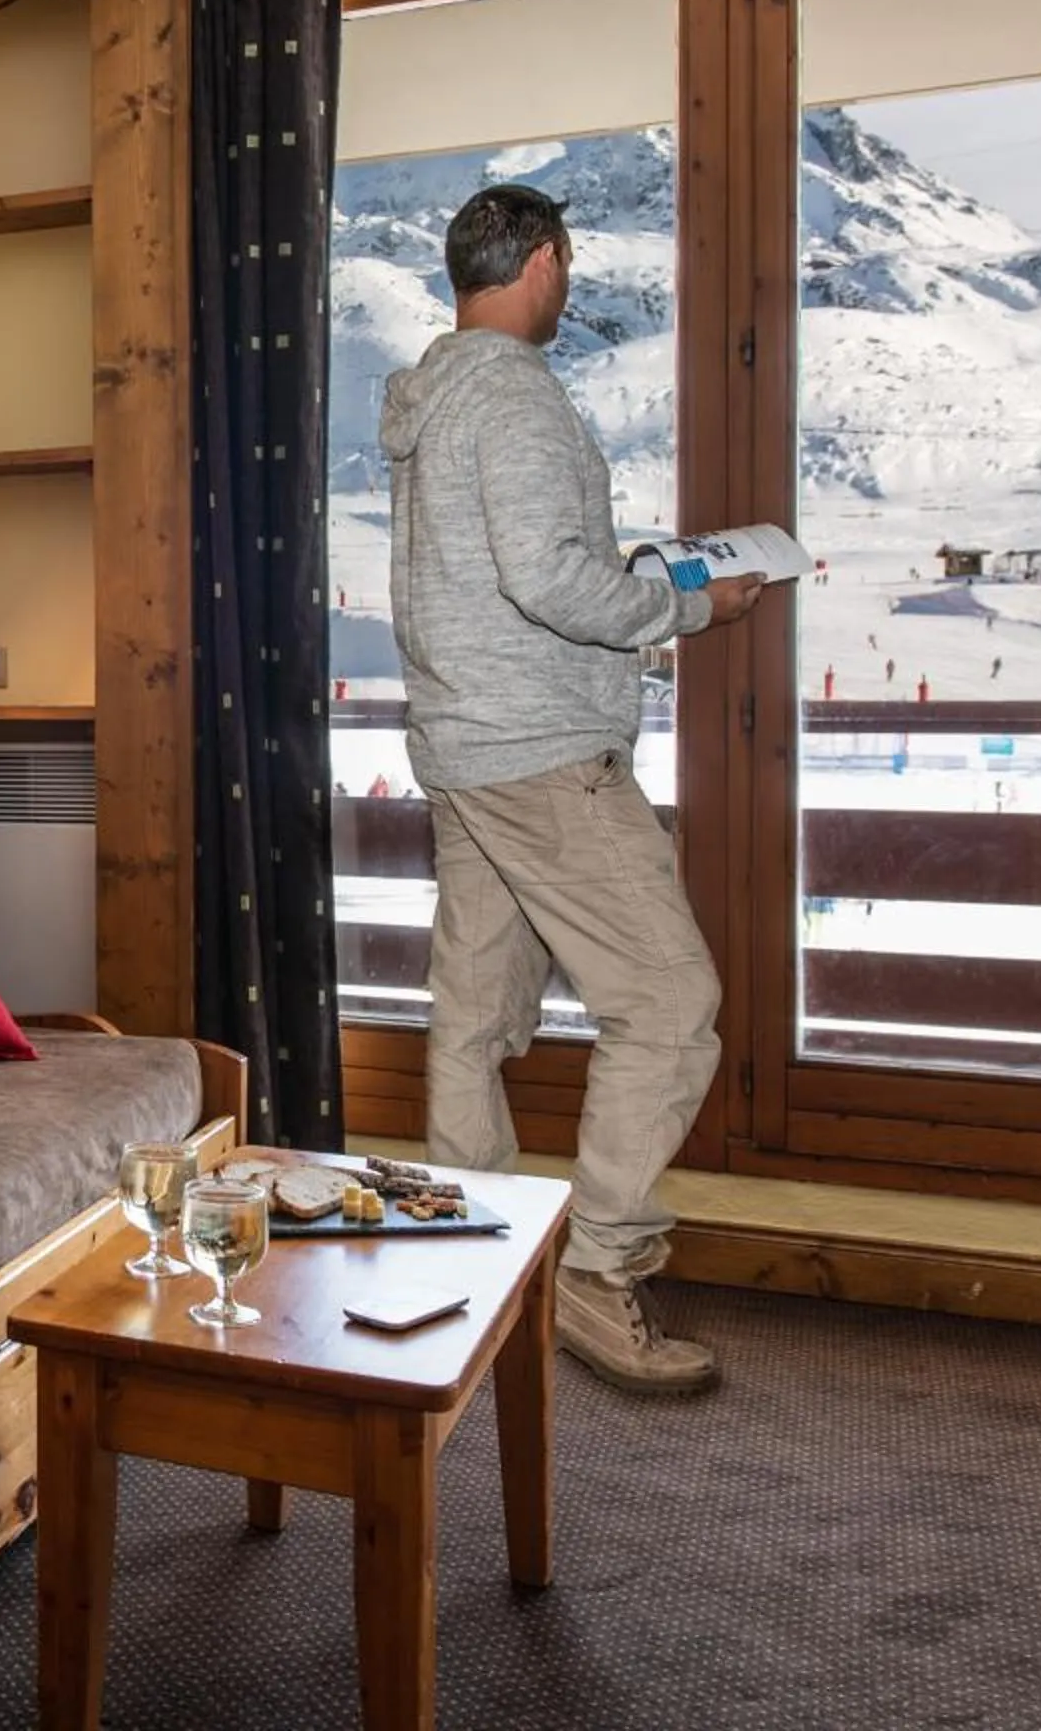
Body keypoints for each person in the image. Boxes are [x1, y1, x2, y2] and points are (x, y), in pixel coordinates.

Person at [381, 184, 763, 1395]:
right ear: (542, 262)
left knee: (475, 1015)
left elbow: (512, 571)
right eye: (570, 262)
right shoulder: (518, 396)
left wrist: (626, 579)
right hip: (543, 751)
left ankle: (470, 1264)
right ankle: (595, 1274)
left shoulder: (435, 400)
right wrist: (693, 602)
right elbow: (549, 579)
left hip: (464, 743)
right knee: (669, 997)